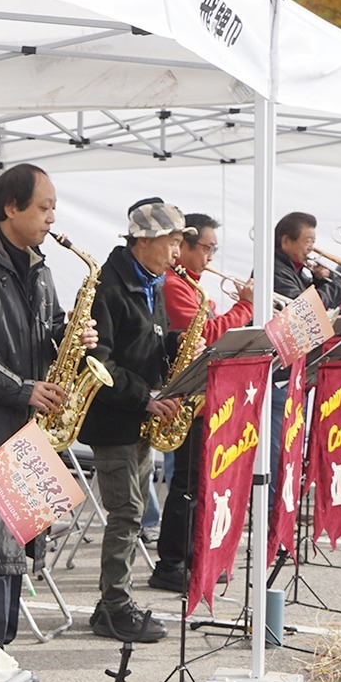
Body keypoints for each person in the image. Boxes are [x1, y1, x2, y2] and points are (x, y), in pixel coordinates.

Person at [0, 163, 89, 648]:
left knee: (17, 543)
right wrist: (23, 389)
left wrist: (72, 337)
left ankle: (0, 654)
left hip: (25, 425)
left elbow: (48, 328)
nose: (52, 217)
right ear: (10, 208)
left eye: (54, 207)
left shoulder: (39, 266)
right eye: (44, 206)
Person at [78, 200, 186, 642]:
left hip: (139, 412)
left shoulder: (151, 280)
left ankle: (117, 600)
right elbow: (98, 364)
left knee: (135, 511)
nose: (177, 252)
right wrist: (146, 397)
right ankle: (113, 606)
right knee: (126, 514)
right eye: (172, 242)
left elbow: (148, 340)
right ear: (144, 241)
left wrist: (179, 345)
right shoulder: (108, 286)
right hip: (115, 417)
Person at [150, 213, 251, 592]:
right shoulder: (175, 285)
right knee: (185, 484)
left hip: (205, 396)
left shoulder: (193, 285)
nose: (210, 257)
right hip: (186, 396)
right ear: (185, 247)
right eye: (206, 248)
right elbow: (207, 333)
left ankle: (193, 555)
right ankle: (171, 562)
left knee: (198, 482)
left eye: (213, 249)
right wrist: (244, 307)